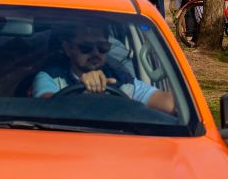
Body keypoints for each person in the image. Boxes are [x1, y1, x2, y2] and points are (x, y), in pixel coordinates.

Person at [32, 25, 175, 114]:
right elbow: (46, 108)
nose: (95, 53)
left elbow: (170, 103)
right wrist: (82, 91)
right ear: (68, 49)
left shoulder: (122, 80)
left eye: (102, 47)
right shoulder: (50, 77)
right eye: (86, 47)